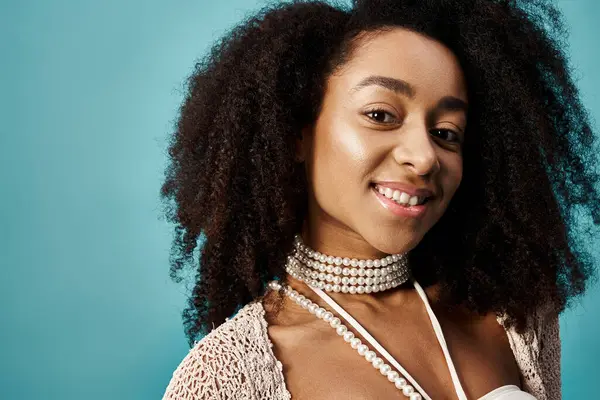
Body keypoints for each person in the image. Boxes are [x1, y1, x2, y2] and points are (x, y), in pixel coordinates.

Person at [159, 0, 599, 398]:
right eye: (381, 115)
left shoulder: (513, 315)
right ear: (297, 130)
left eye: (446, 133)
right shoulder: (228, 376)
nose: (425, 157)